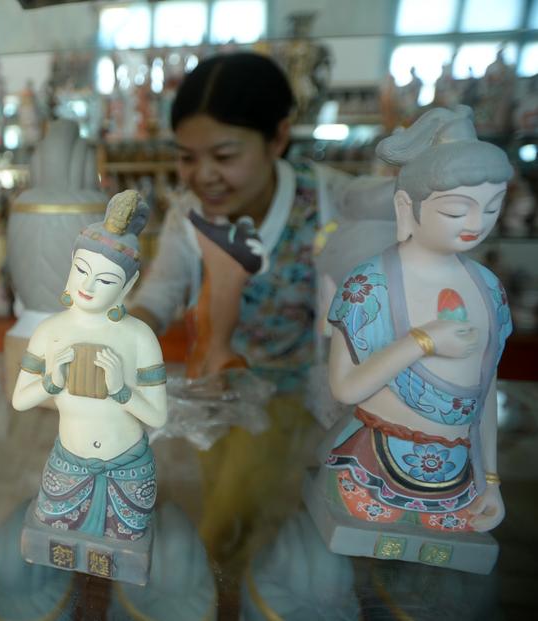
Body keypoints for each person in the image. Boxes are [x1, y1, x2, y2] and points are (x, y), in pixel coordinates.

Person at [128, 51, 387, 556]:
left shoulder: (333, 204)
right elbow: (160, 292)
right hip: (216, 386)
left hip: (291, 395)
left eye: (224, 156)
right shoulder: (189, 215)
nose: (203, 175)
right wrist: (123, 329)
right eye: (186, 156)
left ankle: (210, 585)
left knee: (225, 520)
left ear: (278, 139)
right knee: (226, 501)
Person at [321, 106, 512, 540]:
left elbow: (484, 393)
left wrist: (492, 481)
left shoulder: (488, 288)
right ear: (407, 206)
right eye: (455, 210)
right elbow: (346, 389)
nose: (475, 224)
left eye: (492, 208)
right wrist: (422, 341)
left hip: (459, 476)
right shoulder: (370, 285)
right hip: (376, 462)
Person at [11, 190, 167, 542]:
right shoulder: (50, 332)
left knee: (123, 545)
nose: (89, 285)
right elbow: (19, 400)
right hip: (69, 464)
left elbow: (158, 417)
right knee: (57, 541)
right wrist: (52, 382)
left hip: (128, 469)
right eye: (82, 270)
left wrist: (120, 390)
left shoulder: (141, 338)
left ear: (127, 286)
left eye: (107, 280)